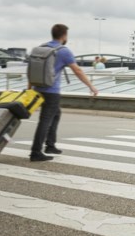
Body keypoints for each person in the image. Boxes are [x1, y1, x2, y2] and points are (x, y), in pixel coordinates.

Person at [29, 24, 98, 162]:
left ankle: (50, 145)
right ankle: (36, 152)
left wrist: (29, 87)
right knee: (45, 120)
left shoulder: (41, 48)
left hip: (38, 88)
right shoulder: (63, 51)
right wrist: (91, 86)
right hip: (51, 91)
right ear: (64, 35)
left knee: (56, 114)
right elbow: (77, 71)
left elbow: (32, 69)